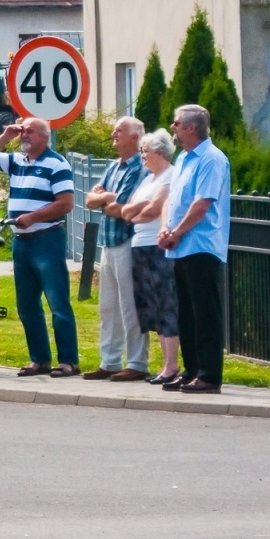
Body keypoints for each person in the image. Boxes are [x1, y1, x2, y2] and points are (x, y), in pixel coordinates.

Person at [0, 117, 79, 376]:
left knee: (57, 302)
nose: (25, 136)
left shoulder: (56, 164)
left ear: (45, 136)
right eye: (23, 132)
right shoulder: (18, 161)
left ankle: (68, 361)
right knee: (27, 305)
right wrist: (5, 136)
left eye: (30, 132)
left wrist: (32, 218)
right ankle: (40, 360)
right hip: (21, 243)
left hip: (47, 239)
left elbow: (65, 203)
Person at [158, 104, 231, 393]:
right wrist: (166, 229)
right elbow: (170, 199)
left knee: (205, 313)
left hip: (201, 246)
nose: (173, 128)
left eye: (176, 124)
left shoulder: (211, 159)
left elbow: (202, 204)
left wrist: (176, 232)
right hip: (179, 246)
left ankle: (209, 375)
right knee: (185, 313)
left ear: (190, 127)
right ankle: (191, 370)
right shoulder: (184, 157)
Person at [83, 116, 148, 381]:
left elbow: (121, 207)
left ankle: (136, 362)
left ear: (135, 137)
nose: (113, 133)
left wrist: (105, 199)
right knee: (107, 305)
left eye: (119, 131)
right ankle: (109, 361)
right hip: (108, 242)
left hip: (127, 242)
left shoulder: (140, 168)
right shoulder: (113, 166)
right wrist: (103, 198)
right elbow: (90, 200)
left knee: (129, 305)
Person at [118, 129, 180, 384]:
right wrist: (136, 211)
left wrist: (138, 212)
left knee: (165, 306)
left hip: (158, 247)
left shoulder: (169, 176)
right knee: (150, 308)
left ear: (160, 152)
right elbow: (126, 211)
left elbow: (155, 210)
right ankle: (165, 365)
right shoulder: (148, 179)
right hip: (139, 245)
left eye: (145, 151)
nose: (142, 156)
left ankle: (171, 366)